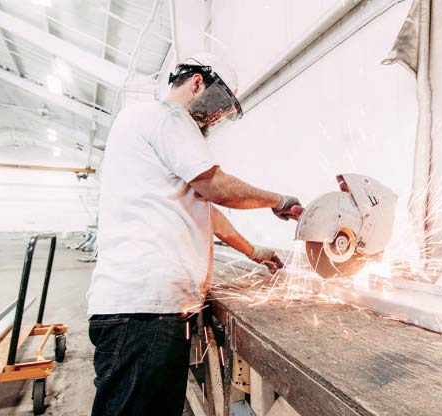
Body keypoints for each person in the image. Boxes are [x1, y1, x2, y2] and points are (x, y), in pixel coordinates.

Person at [85, 52, 300, 415]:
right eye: (217, 108)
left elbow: (205, 208)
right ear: (198, 83)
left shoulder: (146, 127)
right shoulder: (167, 117)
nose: (215, 120)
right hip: (143, 311)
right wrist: (277, 200)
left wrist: (254, 251)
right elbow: (216, 186)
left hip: (146, 310)